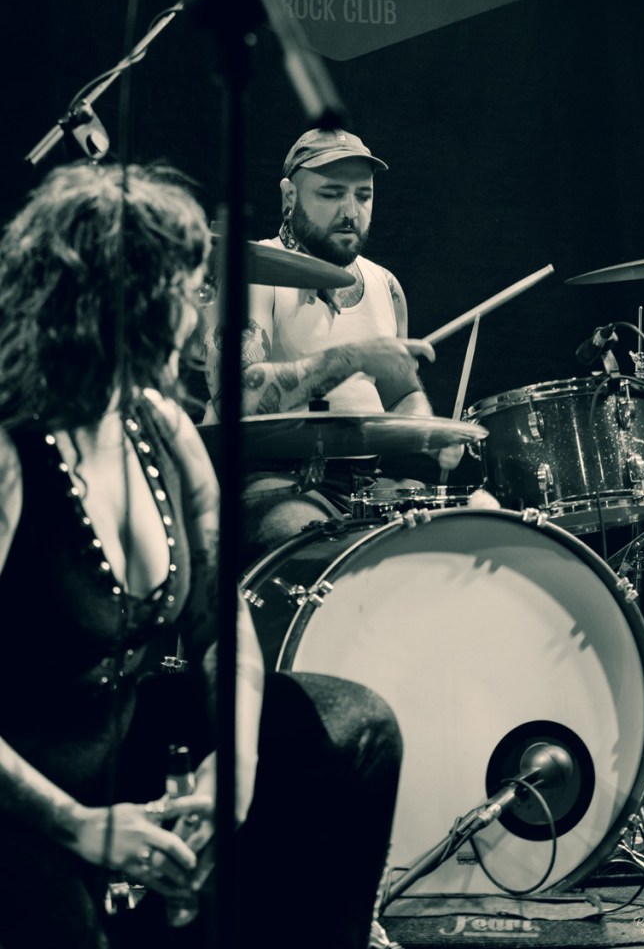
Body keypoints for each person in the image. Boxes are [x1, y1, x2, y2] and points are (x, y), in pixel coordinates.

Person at [0, 161, 403, 949]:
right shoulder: (12, 445)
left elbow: (222, 624)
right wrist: (77, 825)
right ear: (133, 298)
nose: (200, 311)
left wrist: (234, 768)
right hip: (25, 787)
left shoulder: (160, 428)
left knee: (355, 728)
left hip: (115, 748)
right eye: (190, 289)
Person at [201, 127, 465, 570]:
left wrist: (431, 435)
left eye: (363, 196)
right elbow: (234, 397)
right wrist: (349, 359)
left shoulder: (385, 285)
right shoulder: (253, 272)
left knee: (458, 536)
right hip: (270, 481)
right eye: (331, 194)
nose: (351, 211)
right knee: (318, 549)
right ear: (289, 196)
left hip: (363, 485)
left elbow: (401, 393)